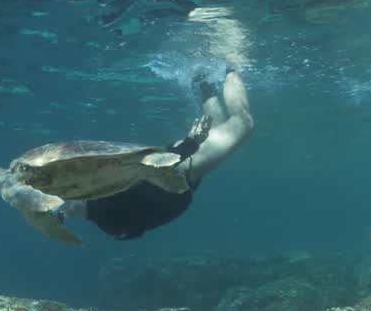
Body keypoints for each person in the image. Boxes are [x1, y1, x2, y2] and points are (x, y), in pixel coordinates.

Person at [65, 64, 254, 239]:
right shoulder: (106, 223)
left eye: (61, 200)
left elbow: (143, 172)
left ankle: (232, 65)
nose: (62, 208)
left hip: (181, 166)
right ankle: (203, 80)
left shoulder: (103, 197)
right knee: (219, 128)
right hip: (181, 172)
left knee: (243, 124)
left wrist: (189, 145)